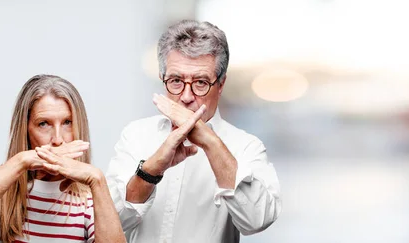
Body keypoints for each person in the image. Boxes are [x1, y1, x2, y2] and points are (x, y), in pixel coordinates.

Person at [106, 20, 281, 242]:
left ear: (221, 84)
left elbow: (257, 221)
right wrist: (150, 170)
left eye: (200, 82)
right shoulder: (135, 135)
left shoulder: (246, 146)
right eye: (176, 81)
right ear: (162, 79)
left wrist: (210, 141)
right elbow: (110, 223)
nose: (186, 97)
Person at [0, 74, 125, 243]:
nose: (57, 140)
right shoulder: (1, 186)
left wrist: (98, 180)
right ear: (26, 130)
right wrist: (21, 161)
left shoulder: (89, 200)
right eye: (43, 124)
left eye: (67, 123)